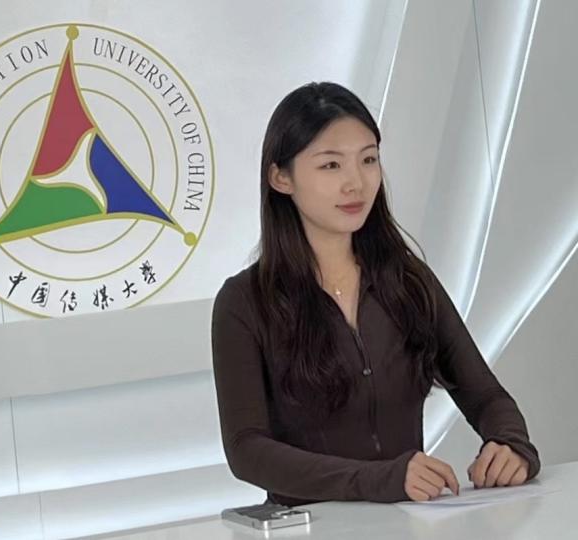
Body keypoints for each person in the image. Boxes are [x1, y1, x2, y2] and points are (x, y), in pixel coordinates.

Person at [210, 81, 540, 506]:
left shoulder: (408, 281)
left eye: (368, 159)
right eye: (331, 165)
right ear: (281, 177)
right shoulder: (244, 303)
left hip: (410, 526)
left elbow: (485, 395)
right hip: (310, 530)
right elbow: (247, 451)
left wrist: (511, 444)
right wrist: (378, 479)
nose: (356, 183)